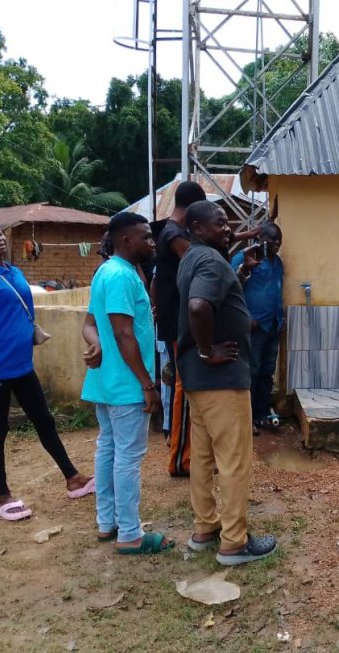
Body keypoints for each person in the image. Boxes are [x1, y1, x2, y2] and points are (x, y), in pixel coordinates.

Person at [0, 219, 94, 522]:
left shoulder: (15, 272)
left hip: (21, 365)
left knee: (44, 421)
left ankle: (73, 478)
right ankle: (2, 497)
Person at [177, 200, 277, 566]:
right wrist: (209, 351)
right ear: (198, 227)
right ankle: (234, 542)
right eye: (220, 224)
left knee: (203, 458)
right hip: (221, 379)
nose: (228, 229)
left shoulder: (192, 257)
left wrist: (242, 274)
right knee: (234, 460)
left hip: (198, 381)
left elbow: (210, 301)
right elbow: (199, 306)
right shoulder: (210, 261)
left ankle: (206, 528)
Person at [81, 212, 173, 554]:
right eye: (145, 237)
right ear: (125, 240)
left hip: (107, 381)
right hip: (125, 385)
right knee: (128, 457)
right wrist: (148, 385)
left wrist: (97, 343)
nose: (152, 242)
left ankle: (108, 523)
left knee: (108, 449)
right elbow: (122, 332)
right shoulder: (119, 275)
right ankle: (131, 534)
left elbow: (90, 324)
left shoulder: (110, 272)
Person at [151, 181, 207, 477]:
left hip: (177, 322)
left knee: (185, 388)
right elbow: (198, 260)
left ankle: (184, 452)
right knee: (184, 389)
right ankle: (180, 460)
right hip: (177, 324)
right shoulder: (173, 234)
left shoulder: (174, 232)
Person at [229, 223, 285, 431]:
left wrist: (280, 318)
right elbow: (233, 293)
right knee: (251, 371)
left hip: (272, 326)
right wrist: (245, 318)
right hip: (253, 326)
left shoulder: (278, 263)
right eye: (273, 240)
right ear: (260, 238)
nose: (277, 244)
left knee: (266, 371)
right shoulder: (243, 260)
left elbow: (277, 290)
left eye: (279, 240)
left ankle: (261, 414)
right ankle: (247, 418)